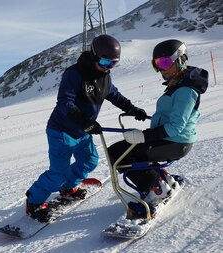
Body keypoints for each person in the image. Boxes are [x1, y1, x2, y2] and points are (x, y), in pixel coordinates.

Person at [25, 34, 148, 222]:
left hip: (83, 130)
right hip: (62, 131)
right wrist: (84, 122)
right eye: (106, 62)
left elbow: (114, 95)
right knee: (57, 171)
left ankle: (68, 187)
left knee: (90, 161)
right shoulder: (75, 74)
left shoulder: (105, 77)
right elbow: (64, 103)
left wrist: (132, 109)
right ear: (94, 55)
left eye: (114, 63)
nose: (109, 68)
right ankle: (34, 201)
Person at [108, 39, 208, 210]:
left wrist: (144, 136)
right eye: (157, 64)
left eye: (165, 63)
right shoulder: (179, 83)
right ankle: (162, 180)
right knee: (121, 150)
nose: (161, 69)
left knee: (118, 155)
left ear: (181, 59)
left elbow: (176, 126)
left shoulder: (186, 90)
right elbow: (171, 116)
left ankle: (156, 189)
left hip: (175, 141)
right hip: (171, 138)